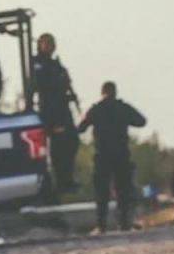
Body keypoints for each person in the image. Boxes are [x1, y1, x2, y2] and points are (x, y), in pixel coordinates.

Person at [79, 82, 146, 232]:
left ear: (102, 92)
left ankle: (101, 225)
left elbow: (81, 128)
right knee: (123, 190)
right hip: (121, 154)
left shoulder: (96, 109)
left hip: (102, 155)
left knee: (101, 192)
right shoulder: (122, 108)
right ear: (115, 92)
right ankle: (124, 223)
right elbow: (141, 121)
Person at [32, 33, 79, 195]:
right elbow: (42, 85)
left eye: (52, 43)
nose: (50, 47)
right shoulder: (37, 63)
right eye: (47, 44)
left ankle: (66, 179)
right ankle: (59, 181)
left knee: (72, 141)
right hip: (51, 110)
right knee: (58, 146)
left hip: (62, 108)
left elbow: (63, 84)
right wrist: (59, 83)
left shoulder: (55, 64)